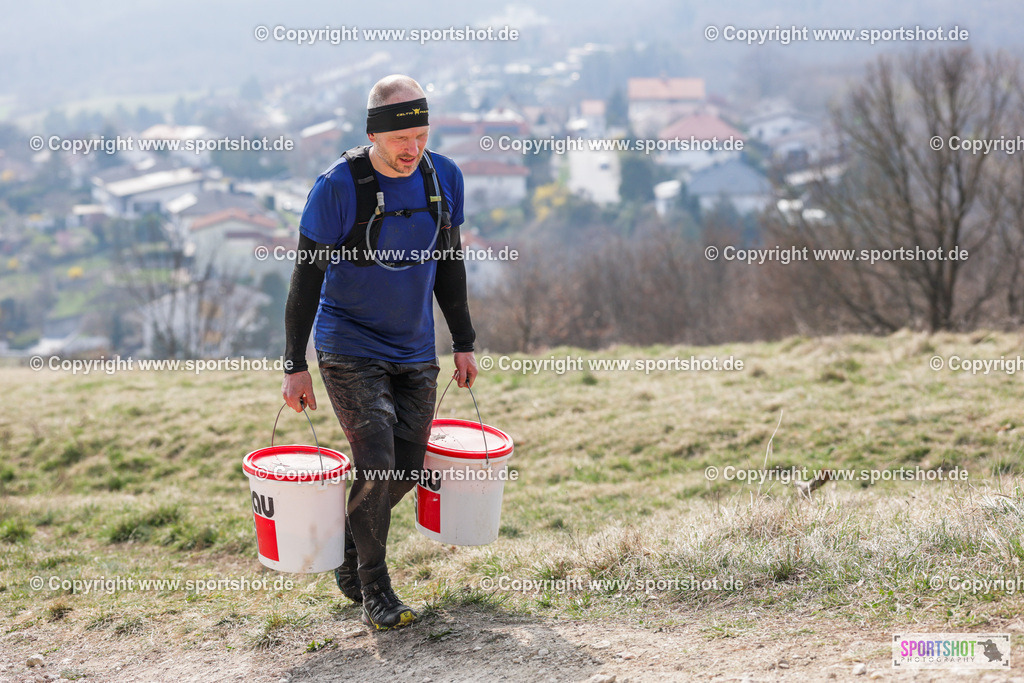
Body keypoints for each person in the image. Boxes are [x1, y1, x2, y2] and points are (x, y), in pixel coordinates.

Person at [281, 74, 477, 631]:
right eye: (400, 138)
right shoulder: (337, 187)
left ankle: (344, 546)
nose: (412, 148)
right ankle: (375, 587)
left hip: (415, 346)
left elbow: (450, 266)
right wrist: (295, 363)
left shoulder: (445, 179)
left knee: (409, 468)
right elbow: (305, 281)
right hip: (349, 344)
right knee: (376, 461)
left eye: (421, 133)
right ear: (375, 133)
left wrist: (463, 342)